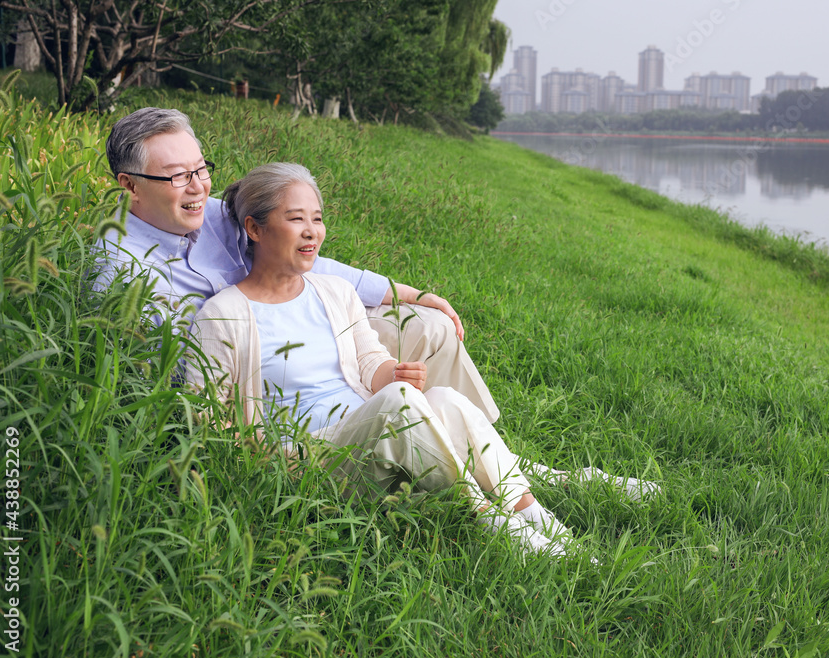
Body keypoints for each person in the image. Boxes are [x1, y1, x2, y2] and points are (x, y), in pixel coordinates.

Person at [186, 163, 573, 555]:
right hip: (307, 462)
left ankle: (538, 518)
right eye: (296, 219)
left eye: (317, 219)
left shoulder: (334, 292)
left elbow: (370, 361)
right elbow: (209, 419)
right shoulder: (222, 315)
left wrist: (395, 373)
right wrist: (266, 462)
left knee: (445, 400)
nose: (312, 231)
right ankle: (494, 521)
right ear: (255, 229)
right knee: (398, 402)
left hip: (373, 435)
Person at [93, 107, 499, 423]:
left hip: (301, 324)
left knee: (430, 326)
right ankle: (444, 449)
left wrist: (415, 295)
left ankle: (489, 449)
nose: (199, 186)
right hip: (260, 374)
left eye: (201, 169)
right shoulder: (118, 269)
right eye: (179, 176)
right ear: (130, 185)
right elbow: (177, 373)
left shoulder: (217, 215)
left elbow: (307, 263)